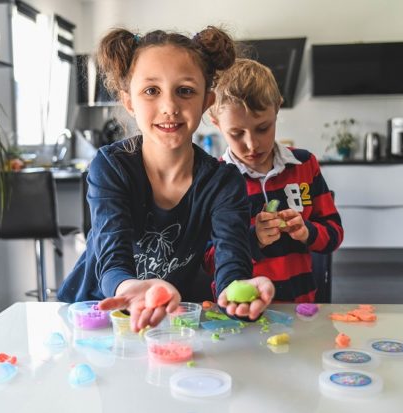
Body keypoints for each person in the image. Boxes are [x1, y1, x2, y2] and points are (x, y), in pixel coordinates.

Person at [57, 28, 275, 331]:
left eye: (185, 91)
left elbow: (231, 264)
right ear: (129, 101)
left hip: (167, 318)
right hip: (97, 315)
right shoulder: (111, 166)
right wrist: (130, 289)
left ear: (206, 101)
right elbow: (112, 256)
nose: (169, 107)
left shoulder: (223, 182)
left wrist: (239, 292)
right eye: (151, 91)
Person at [206, 58, 344, 303]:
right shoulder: (215, 179)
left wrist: (306, 231)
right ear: (216, 124)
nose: (252, 144)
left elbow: (334, 234)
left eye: (263, 128)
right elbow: (207, 259)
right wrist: (252, 238)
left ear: (277, 110)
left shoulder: (304, 165)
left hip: (300, 303)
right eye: (237, 133)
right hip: (241, 309)